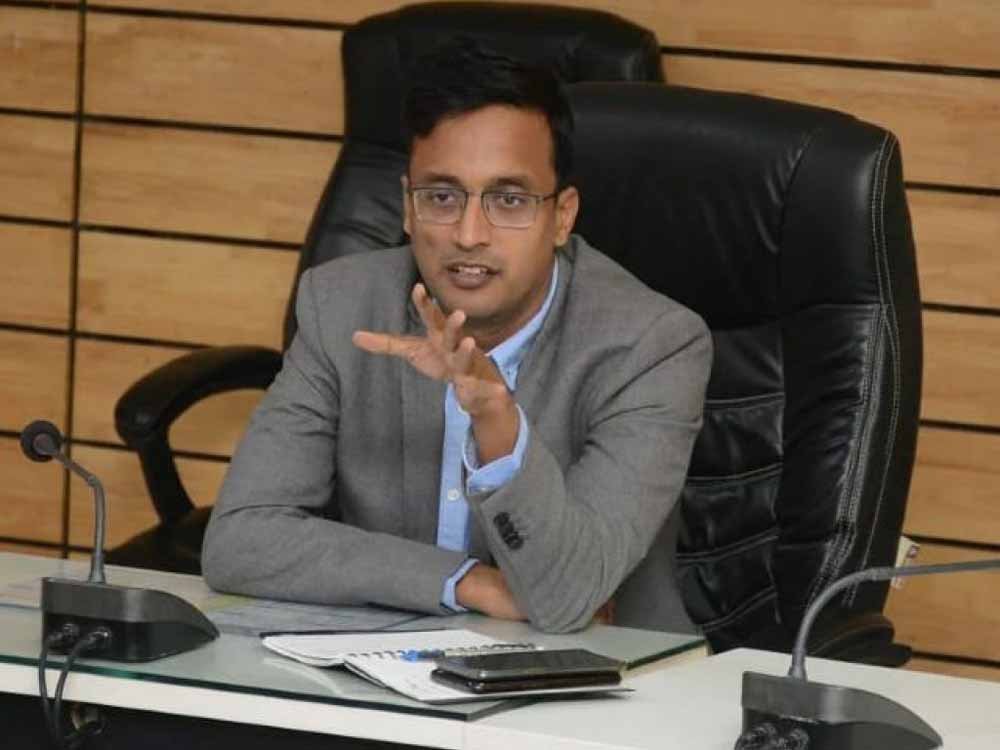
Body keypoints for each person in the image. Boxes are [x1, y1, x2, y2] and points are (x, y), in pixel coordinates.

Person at [202, 40, 712, 633]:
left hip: (612, 673)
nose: (470, 234)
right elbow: (239, 538)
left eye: (509, 200)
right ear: (407, 207)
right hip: (389, 664)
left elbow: (565, 598)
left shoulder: (654, 347)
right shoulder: (342, 306)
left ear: (562, 217)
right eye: (442, 197)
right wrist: (466, 582)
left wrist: (496, 419)